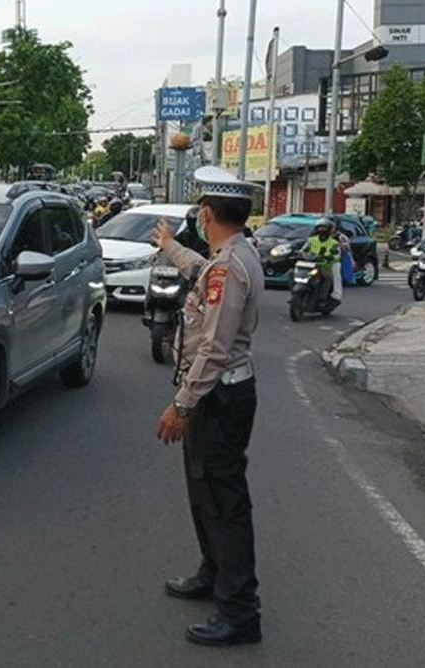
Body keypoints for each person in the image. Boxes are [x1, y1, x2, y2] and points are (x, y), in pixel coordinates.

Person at [152, 166, 265, 648]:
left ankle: (240, 611)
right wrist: (168, 246)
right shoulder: (233, 255)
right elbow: (200, 273)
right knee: (205, 495)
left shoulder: (229, 267)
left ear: (207, 214)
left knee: (223, 502)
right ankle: (213, 573)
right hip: (220, 395)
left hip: (219, 396)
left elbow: (214, 348)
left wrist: (181, 405)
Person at [305, 218, 342, 301]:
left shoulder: (333, 242)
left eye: (324, 228)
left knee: (329, 276)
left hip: (324, 265)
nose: (321, 230)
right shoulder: (311, 240)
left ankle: (326, 297)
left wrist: (331, 256)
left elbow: (337, 254)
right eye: (319, 228)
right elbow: (303, 250)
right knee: (292, 272)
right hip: (310, 264)